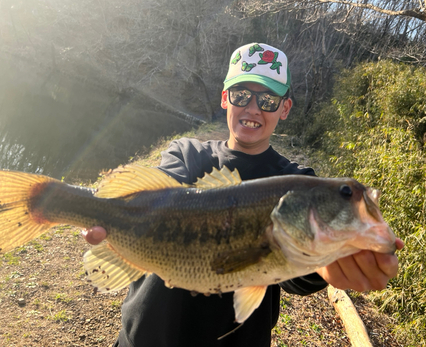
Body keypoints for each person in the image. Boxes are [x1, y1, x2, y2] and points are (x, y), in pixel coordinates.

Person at [83, 43, 404, 347]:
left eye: (267, 100)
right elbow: (158, 194)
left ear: (285, 108)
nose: (253, 108)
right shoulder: (186, 153)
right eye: (241, 95)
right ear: (225, 98)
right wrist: (98, 210)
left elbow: (297, 276)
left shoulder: (301, 183)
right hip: (145, 339)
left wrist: (325, 263)